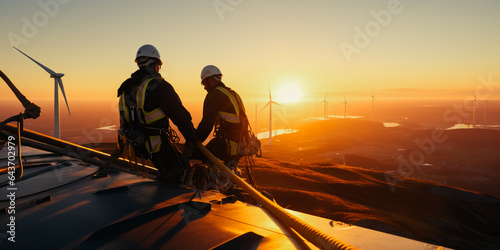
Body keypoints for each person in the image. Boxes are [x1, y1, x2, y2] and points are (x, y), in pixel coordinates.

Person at [117, 44, 197, 185]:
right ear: (155, 65)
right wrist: (192, 139)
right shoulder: (159, 85)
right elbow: (180, 116)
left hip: (138, 146)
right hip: (157, 145)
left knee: (170, 174)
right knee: (184, 173)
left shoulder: (127, 86)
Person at [196, 65, 246, 167]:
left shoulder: (214, 95)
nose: (205, 87)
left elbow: (207, 124)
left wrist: (195, 140)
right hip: (241, 144)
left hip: (227, 144)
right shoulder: (234, 93)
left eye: (205, 83)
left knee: (199, 154)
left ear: (211, 80)